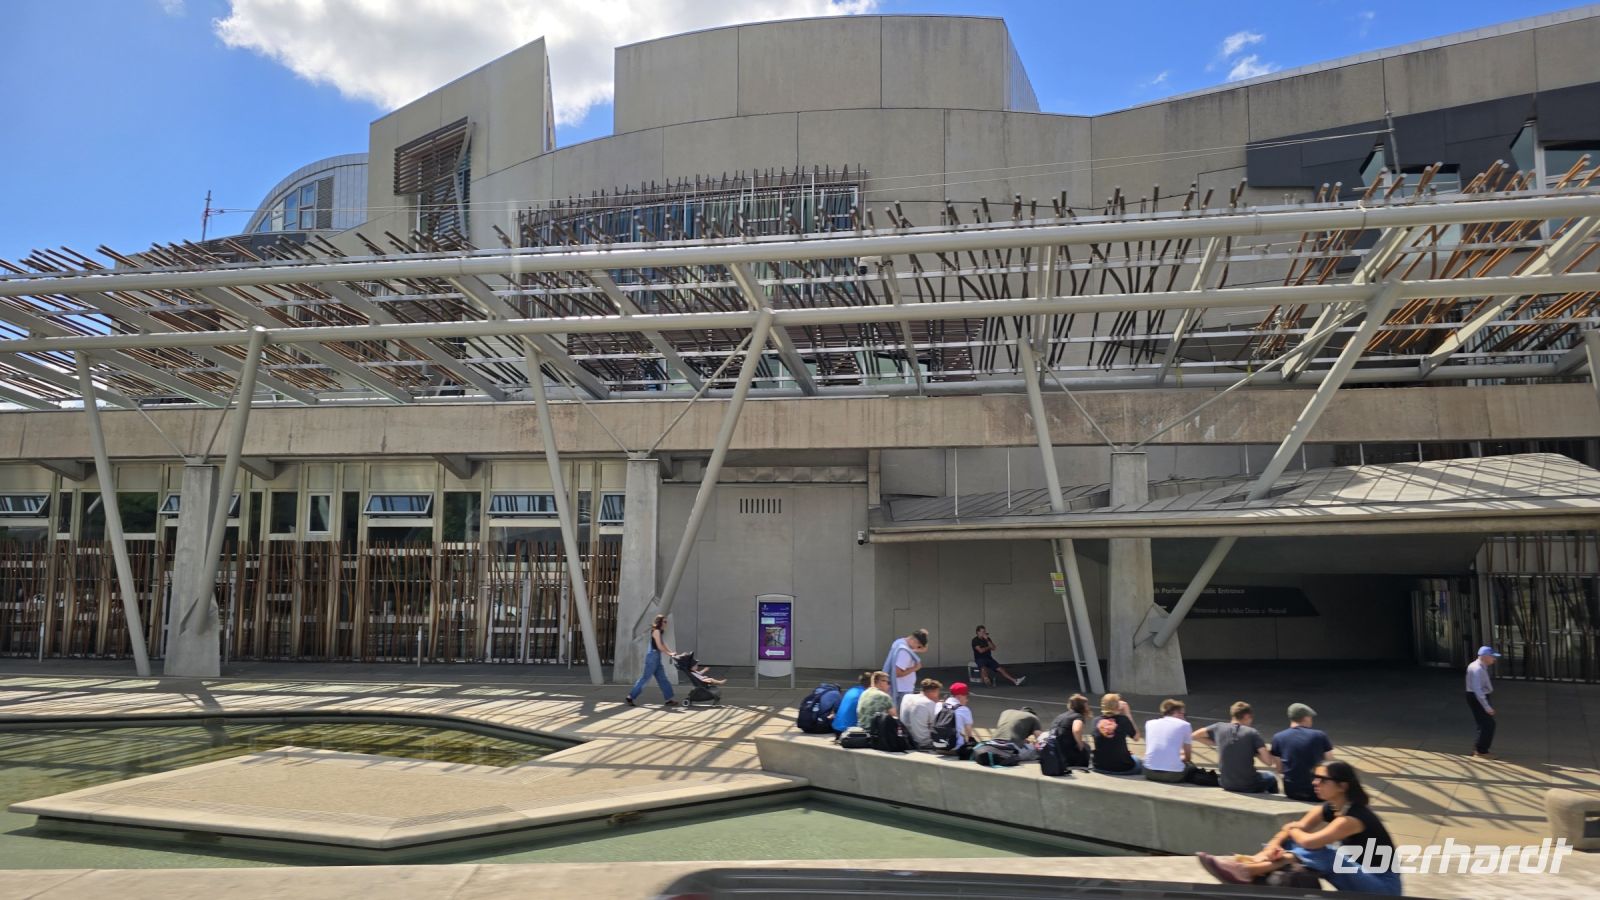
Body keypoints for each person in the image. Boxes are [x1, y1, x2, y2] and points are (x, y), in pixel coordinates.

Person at [1196, 761, 1402, 895]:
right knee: (1295, 842)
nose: (1315, 783)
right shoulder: (1332, 807)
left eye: (1323, 779)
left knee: (1326, 854)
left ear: (1342, 786)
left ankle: (1248, 870)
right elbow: (1296, 830)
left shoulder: (1353, 818)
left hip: (1382, 888)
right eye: (1315, 777)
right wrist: (1273, 847)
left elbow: (1309, 841)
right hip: (1360, 876)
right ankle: (1252, 862)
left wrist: (1291, 830)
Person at [1195, 701, 1279, 794]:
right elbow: (1268, 762)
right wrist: (1254, 751)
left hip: (1225, 783)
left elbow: (1195, 736)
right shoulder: (1252, 733)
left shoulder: (1218, 727)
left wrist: (1218, 742)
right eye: (1251, 718)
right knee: (1271, 776)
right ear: (1247, 716)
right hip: (1249, 785)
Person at [1271, 703, 1334, 802]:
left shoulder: (1278, 737)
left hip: (1292, 792)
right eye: (1311, 717)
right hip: (1317, 793)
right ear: (1306, 718)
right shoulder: (1320, 735)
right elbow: (1331, 764)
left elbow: (1279, 769)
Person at [625, 614, 676, 707]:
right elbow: (659, 646)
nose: (666, 623)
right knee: (645, 678)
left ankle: (668, 699)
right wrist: (669, 654)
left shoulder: (659, 631)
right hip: (653, 657)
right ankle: (630, 697)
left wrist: (671, 652)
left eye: (666, 622)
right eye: (664, 622)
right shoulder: (656, 631)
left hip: (656, 657)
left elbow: (663, 644)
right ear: (660, 622)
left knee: (663, 679)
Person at [1142, 698, 1193, 783]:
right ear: (1176, 712)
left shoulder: (1149, 723)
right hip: (1173, 775)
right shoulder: (1185, 725)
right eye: (1183, 714)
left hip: (1149, 772)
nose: (1184, 717)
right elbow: (1188, 757)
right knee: (1191, 766)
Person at [1090, 693, 1141, 775]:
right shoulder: (1123, 720)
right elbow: (1136, 737)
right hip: (1123, 768)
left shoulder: (1095, 721)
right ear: (1117, 706)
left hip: (1099, 766)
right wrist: (1128, 714)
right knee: (1138, 761)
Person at [1466, 645, 1500, 759]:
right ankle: (1481, 750)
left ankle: (1479, 748)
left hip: (1478, 696)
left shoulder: (1481, 666)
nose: (1494, 659)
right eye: (1492, 657)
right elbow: (1477, 690)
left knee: (1484, 724)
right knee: (1488, 724)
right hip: (1477, 697)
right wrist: (1487, 707)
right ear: (1485, 656)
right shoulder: (1477, 669)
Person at [883, 629, 928, 706]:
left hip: (896, 686)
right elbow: (898, 673)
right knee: (902, 712)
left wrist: (922, 637)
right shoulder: (904, 652)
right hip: (903, 689)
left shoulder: (898, 642)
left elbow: (924, 648)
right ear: (915, 641)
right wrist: (915, 668)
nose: (918, 648)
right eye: (918, 646)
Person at [1048, 693, 1093, 769]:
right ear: (1083, 707)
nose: (1088, 708)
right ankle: (1081, 766)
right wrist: (1080, 745)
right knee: (1086, 747)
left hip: (1054, 749)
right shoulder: (1078, 716)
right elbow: (1077, 730)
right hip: (1066, 752)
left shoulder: (1061, 716)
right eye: (1087, 705)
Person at [899, 677, 943, 749]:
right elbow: (935, 724)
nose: (938, 696)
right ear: (933, 692)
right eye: (937, 693)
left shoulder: (907, 697)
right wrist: (938, 705)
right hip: (923, 742)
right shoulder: (928, 703)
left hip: (906, 738)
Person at [942, 682, 976, 760]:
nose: (967, 700)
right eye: (966, 696)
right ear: (959, 696)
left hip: (937, 746)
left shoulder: (939, 705)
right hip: (955, 749)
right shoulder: (964, 709)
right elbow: (969, 733)